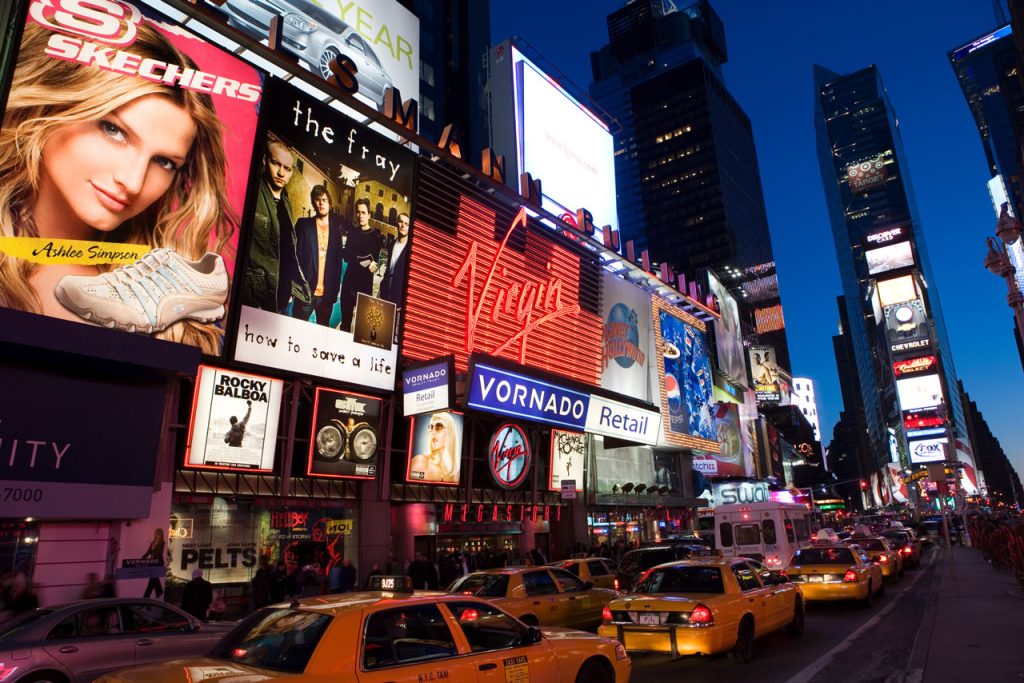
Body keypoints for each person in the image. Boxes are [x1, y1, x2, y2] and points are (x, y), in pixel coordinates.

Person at [0, 21, 237, 354]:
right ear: (53, 104)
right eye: (113, 130)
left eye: (164, 162)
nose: (133, 181)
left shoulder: (161, 307)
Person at [241, 135, 307, 314]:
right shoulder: (252, 193)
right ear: (264, 160)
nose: (281, 173)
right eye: (275, 163)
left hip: (284, 298)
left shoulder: (286, 201)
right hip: (257, 299)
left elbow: (287, 250)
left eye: (287, 168)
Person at [291, 185, 346, 326]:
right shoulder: (303, 225)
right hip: (305, 293)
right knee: (297, 331)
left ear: (330, 204)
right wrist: (295, 288)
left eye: (325, 200)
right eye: (318, 199)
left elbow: (337, 265)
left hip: (326, 296)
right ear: (313, 202)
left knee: (322, 336)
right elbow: (294, 258)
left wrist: (333, 294)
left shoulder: (336, 234)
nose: (321, 203)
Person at [339, 198, 384, 332]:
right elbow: (346, 255)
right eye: (358, 212)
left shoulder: (375, 236)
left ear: (369, 215)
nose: (360, 216)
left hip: (364, 286)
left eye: (363, 212)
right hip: (348, 285)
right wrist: (361, 259)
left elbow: (372, 261)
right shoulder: (352, 232)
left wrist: (358, 258)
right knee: (345, 325)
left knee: (362, 330)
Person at [409, 412, 460, 483]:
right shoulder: (421, 462)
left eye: (439, 427)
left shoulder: (455, 474)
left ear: (450, 432)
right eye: (431, 427)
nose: (433, 432)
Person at [378, 212, 410, 304]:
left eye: (406, 224)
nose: (403, 225)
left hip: (399, 296)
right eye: (401, 222)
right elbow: (389, 268)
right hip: (386, 292)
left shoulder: (410, 248)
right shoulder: (392, 244)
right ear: (397, 223)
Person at [142, 527, 166, 599]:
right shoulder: (152, 542)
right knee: (154, 579)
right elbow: (148, 552)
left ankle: (146, 596)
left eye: (156, 534)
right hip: (152, 562)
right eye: (154, 534)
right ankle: (159, 591)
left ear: (160, 535)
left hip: (158, 563)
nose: (155, 535)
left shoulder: (162, 543)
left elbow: (159, 553)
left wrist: (154, 548)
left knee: (152, 579)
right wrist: (142, 558)